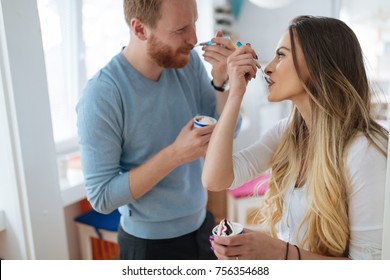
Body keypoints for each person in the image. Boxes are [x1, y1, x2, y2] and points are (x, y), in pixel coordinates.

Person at [202, 15, 388, 260]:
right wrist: (236, 92)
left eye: (281, 55)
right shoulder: (289, 131)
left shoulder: (366, 152)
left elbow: (370, 269)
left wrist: (279, 252)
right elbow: (216, 179)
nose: (267, 68)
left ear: (318, 63)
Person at [76, 0, 240, 260]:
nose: (194, 38)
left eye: (194, 23)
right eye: (180, 29)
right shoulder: (102, 94)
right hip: (149, 246)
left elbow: (229, 133)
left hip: (202, 226)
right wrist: (176, 154)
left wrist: (221, 82)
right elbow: (102, 197)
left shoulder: (188, 62)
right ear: (140, 30)